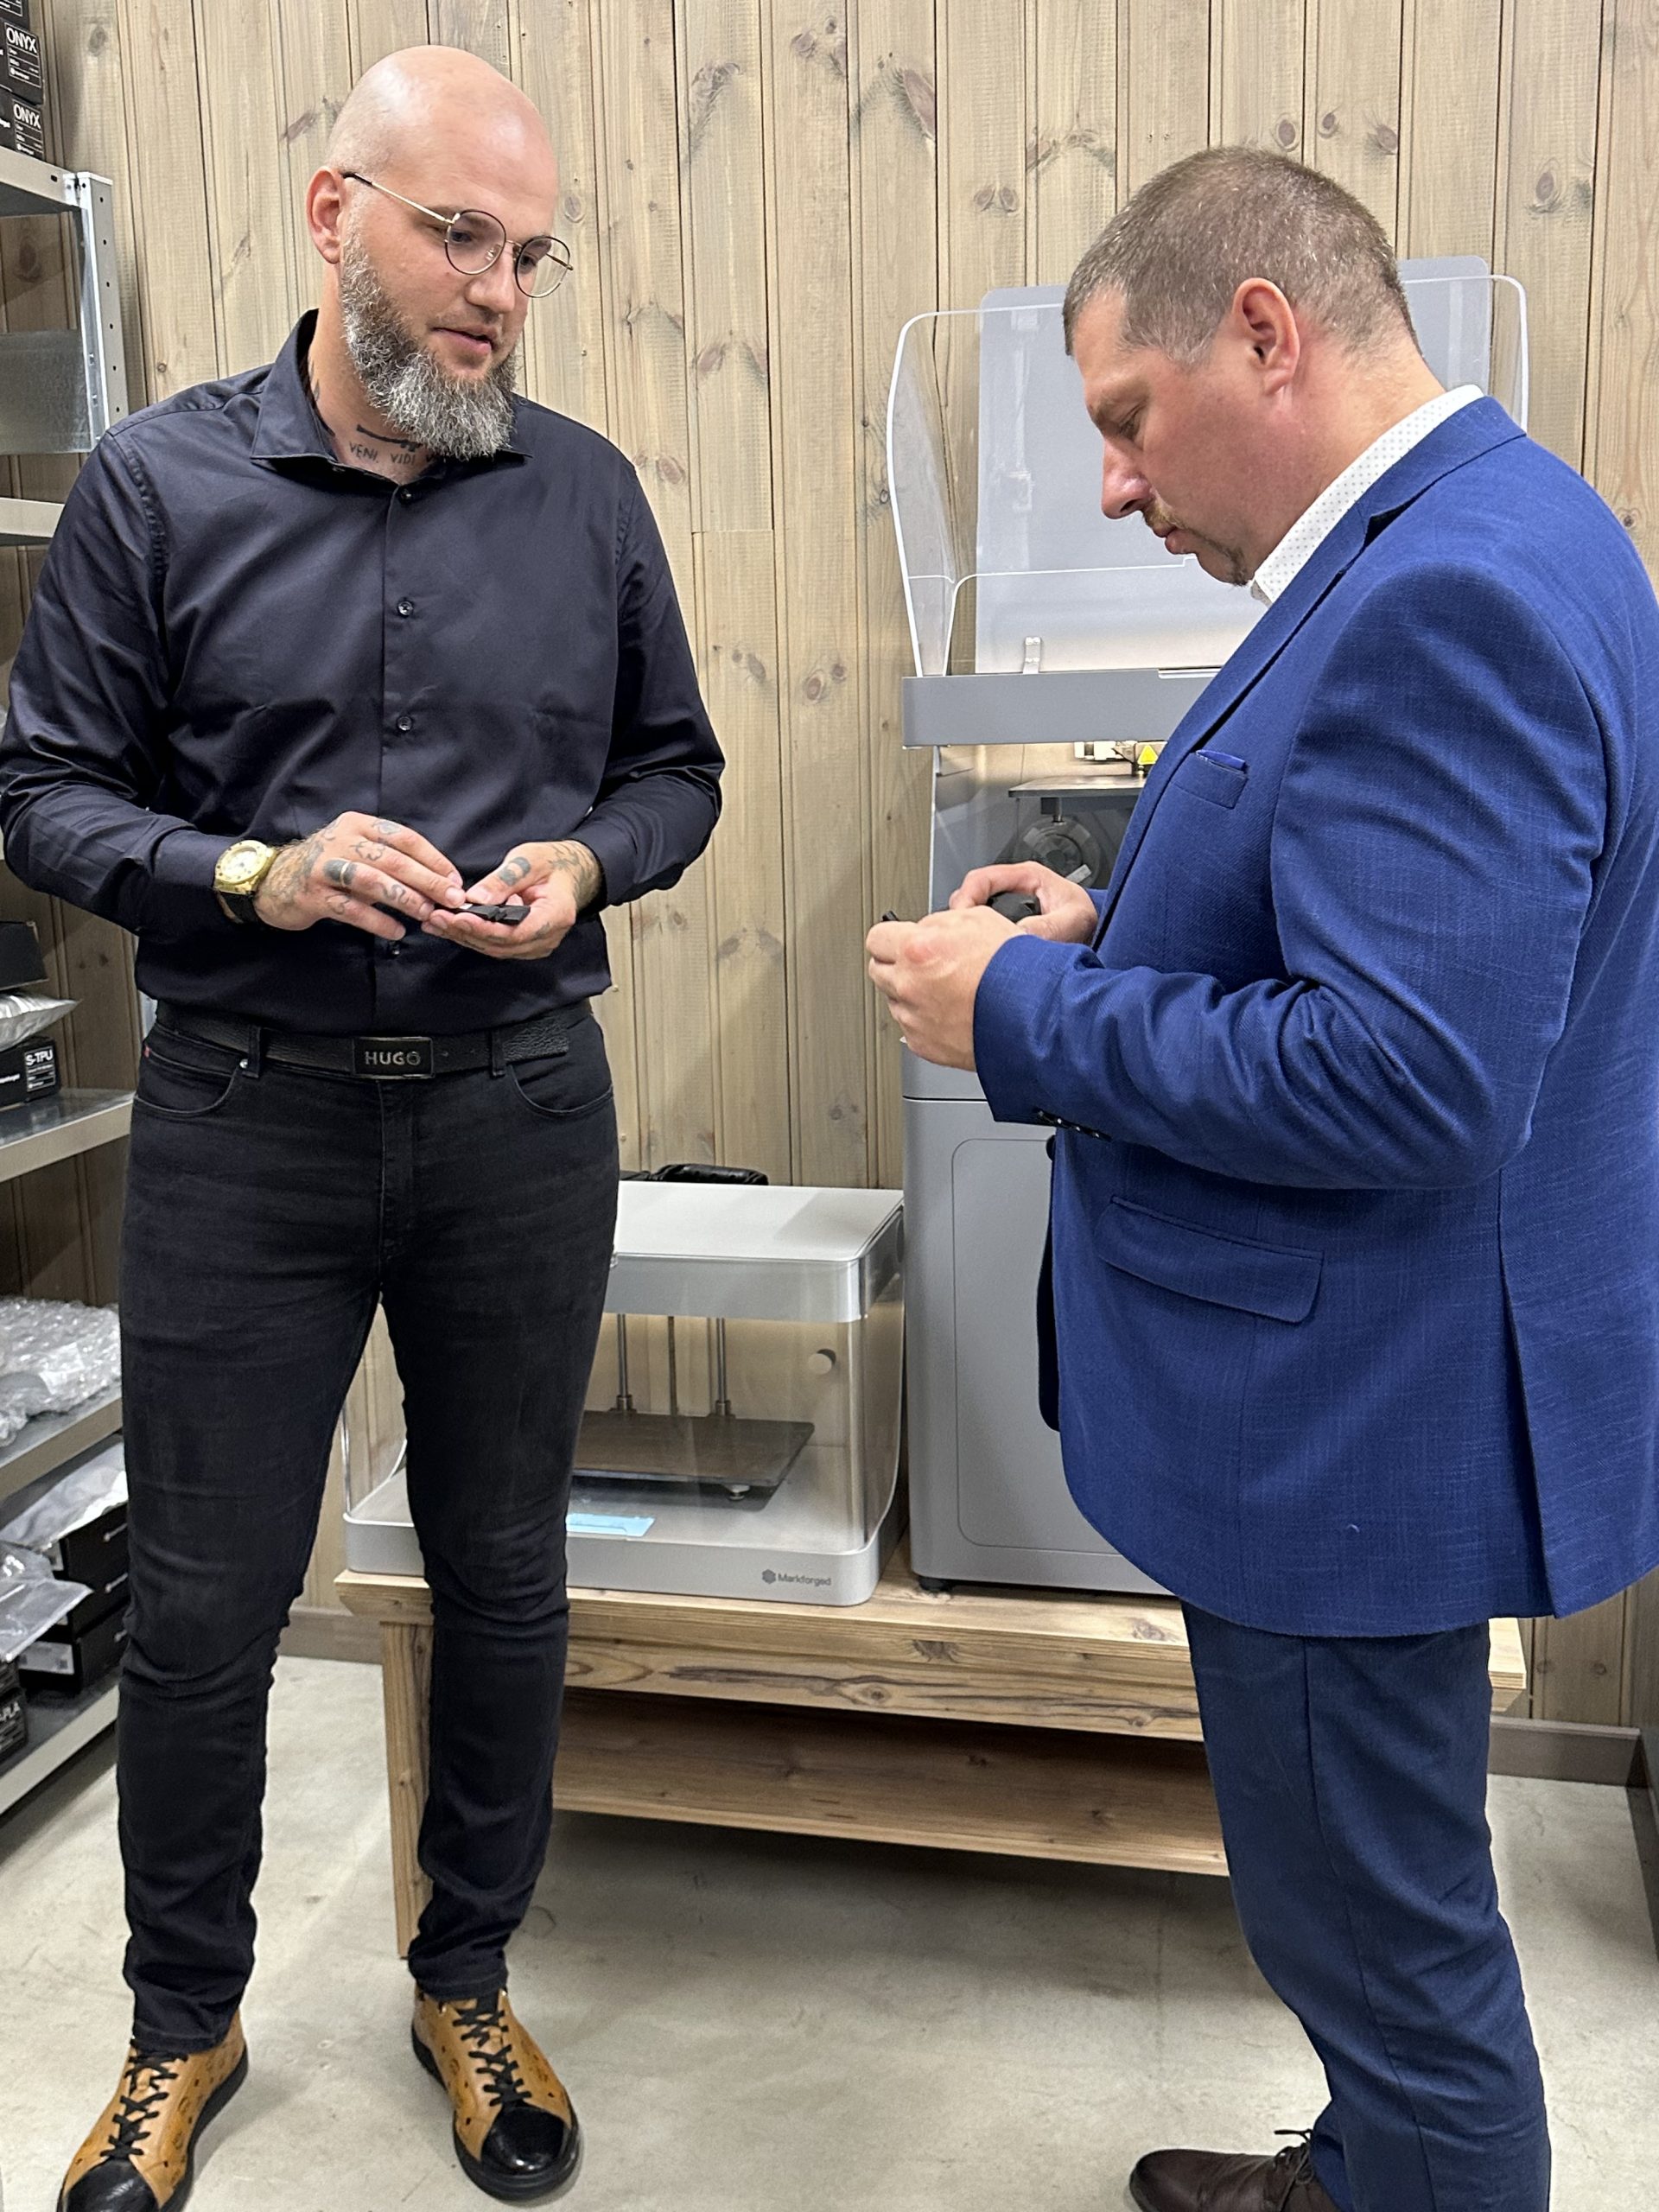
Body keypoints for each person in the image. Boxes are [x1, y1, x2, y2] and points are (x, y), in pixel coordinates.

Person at [868, 145, 1659, 2212]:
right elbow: (1368, 931)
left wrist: (1022, 1016)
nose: (1115, 484)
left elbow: (1409, 1073)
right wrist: (1111, 930)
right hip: (1368, 1398)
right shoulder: (1480, 525)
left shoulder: (1449, 593)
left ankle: (1407, 2160)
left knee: (1392, 1955)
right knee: (1363, 1915)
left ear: (1266, 333)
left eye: (1131, 420)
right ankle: (1364, 2167)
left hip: (1349, 1433)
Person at [0, 45, 721, 2212]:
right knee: (204, 1600)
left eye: (533, 255)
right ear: (337, 216)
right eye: (461, 237)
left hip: (518, 1113)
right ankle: (180, 2017)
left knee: (504, 1574)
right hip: (245, 1120)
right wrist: (253, 870)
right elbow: (41, 790)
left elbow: (675, 771)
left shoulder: (586, 496)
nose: (501, 290)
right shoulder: (152, 487)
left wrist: (589, 861)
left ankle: (465, 1978)